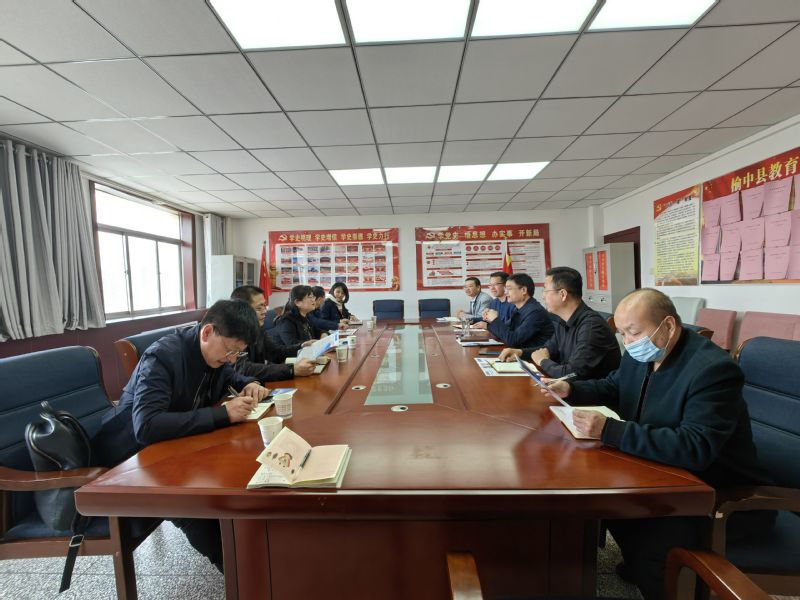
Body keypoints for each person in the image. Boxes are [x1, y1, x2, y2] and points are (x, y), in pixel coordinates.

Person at [543, 288, 770, 600]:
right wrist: (571, 389)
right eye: (622, 333)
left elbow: (695, 447)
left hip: (714, 493)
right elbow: (613, 385)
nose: (628, 342)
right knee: (608, 505)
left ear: (668, 326)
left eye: (633, 332)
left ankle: (662, 583)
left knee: (644, 532)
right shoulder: (645, 353)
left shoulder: (712, 370)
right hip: (662, 471)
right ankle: (637, 566)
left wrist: (610, 430)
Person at [91, 300, 271, 572]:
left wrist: (251, 384)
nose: (232, 358)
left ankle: (259, 557)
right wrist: (223, 414)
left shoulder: (213, 354)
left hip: (175, 446)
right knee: (199, 506)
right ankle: (244, 575)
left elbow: (231, 376)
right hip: (131, 459)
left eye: (238, 353)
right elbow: (146, 426)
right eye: (230, 350)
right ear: (207, 332)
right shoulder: (162, 357)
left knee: (242, 473)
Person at [498, 267, 620, 379]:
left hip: (589, 393)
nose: (543, 296)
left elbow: (570, 374)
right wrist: (520, 353)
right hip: (568, 388)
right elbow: (549, 349)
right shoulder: (562, 320)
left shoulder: (591, 326)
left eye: (546, 290)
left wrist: (543, 361)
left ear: (562, 294)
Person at [230, 285, 316, 381]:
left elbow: (275, 352)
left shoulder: (258, 328)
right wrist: (291, 370)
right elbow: (244, 369)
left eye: (264, 306)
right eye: (259, 308)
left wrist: (302, 346)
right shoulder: (231, 334)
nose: (264, 311)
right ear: (242, 311)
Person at [483, 273, 553, 348]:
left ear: (523, 290)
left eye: (509, 289)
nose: (505, 292)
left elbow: (513, 340)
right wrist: (490, 319)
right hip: (519, 352)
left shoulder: (535, 312)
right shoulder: (519, 309)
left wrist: (495, 320)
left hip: (532, 354)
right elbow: (506, 330)